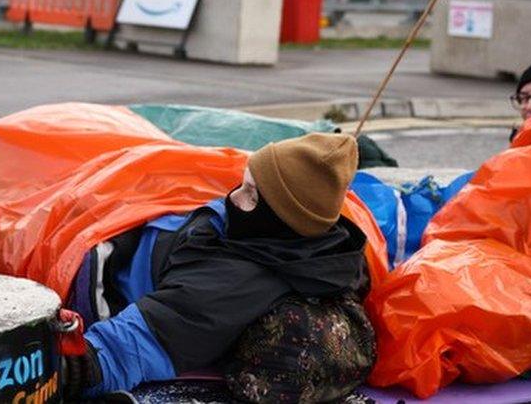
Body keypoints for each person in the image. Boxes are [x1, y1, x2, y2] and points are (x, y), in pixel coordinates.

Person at [61, 133, 375, 402]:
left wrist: (62, 368)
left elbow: (128, 346)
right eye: (244, 182)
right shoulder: (318, 246)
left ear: (281, 221)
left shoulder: (233, 283)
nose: (233, 196)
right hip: (122, 223)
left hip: (94, 260)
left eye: (251, 194)